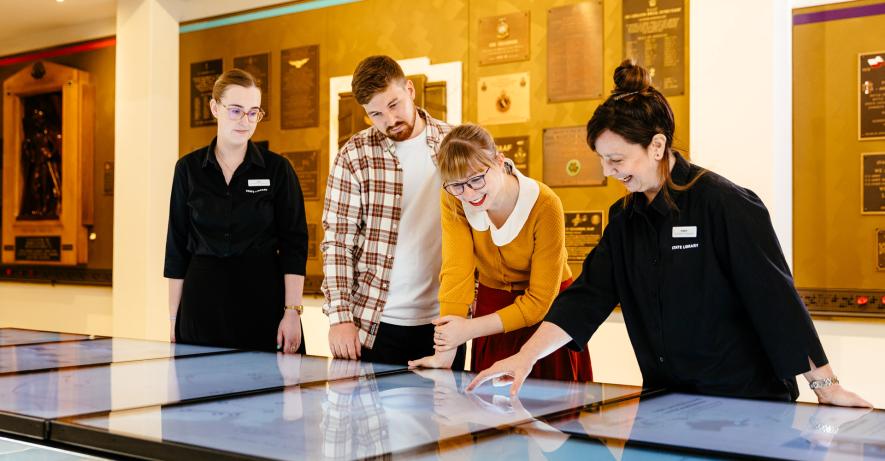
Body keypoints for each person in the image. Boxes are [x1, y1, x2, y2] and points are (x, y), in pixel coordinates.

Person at [468, 60, 871, 408]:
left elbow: (776, 299)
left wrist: (825, 386)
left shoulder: (724, 204)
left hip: (746, 401)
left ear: (657, 145)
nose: (608, 172)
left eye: (617, 159)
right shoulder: (624, 219)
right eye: (602, 161)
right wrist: (524, 357)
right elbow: (587, 297)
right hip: (667, 401)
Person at [408, 124, 592, 383]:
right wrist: (444, 353)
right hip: (491, 304)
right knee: (489, 411)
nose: (469, 194)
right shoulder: (454, 197)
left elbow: (539, 302)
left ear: (499, 161)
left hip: (548, 313)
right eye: (457, 185)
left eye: (476, 179)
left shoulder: (545, 204)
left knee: (547, 408)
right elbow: (455, 273)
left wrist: (468, 330)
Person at [322, 55, 465, 368]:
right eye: (375, 113)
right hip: (373, 323)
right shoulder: (353, 155)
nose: (389, 119)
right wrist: (339, 318)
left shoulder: (454, 143)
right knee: (367, 417)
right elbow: (338, 241)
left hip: (444, 323)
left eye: (394, 104)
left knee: (444, 416)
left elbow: (494, 194)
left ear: (410, 90)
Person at [164, 69, 308, 354]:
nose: (246, 121)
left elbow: (295, 245)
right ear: (215, 108)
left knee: (269, 394)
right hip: (201, 304)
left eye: (253, 112)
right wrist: (173, 319)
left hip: (262, 300)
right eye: (236, 111)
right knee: (201, 393)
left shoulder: (278, 170)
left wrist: (292, 312)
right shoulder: (187, 170)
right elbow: (176, 248)